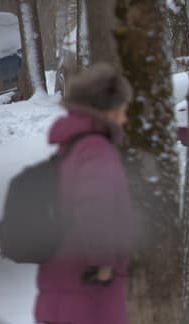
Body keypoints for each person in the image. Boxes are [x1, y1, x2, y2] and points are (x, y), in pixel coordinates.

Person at [34, 63, 135, 324]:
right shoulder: (96, 149)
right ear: (106, 109)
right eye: (122, 110)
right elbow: (95, 207)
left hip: (62, 278)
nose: (124, 119)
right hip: (89, 286)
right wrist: (103, 264)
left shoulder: (71, 147)